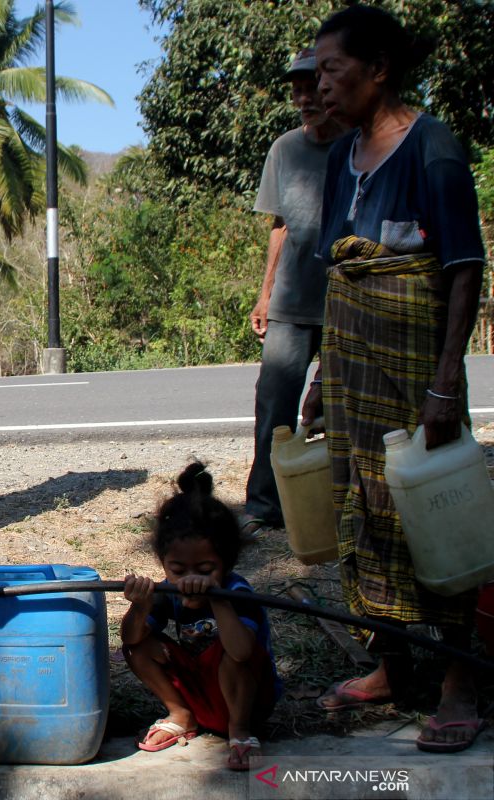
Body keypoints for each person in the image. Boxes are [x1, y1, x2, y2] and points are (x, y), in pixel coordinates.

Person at [300, 5, 487, 753]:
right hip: (350, 369)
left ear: (378, 70)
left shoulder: (431, 148)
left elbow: (463, 269)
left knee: (432, 514)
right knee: (362, 507)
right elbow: (341, 275)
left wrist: (445, 383)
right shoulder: (340, 160)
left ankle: (458, 681)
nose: (319, 86)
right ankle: (391, 663)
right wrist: (319, 373)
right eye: (315, 72)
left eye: (332, 70)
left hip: (416, 375)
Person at [241, 48, 349, 540]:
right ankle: (264, 504)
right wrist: (265, 295)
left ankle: (344, 502)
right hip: (289, 301)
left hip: (347, 300)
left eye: (313, 86)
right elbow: (279, 226)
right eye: (298, 89)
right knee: (274, 401)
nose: (306, 97)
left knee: (342, 403)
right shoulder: (285, 149)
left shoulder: (357, 146)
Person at [121, 463, 280, 772]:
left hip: (245, 698)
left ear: (227, 562)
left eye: (205, 570)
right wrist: (140, 606)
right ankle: (180, 713)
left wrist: (218, 601)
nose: (189, 580)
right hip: (199, 691)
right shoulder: (168, 593)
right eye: (178, 570)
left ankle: (240, 731)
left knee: (232, 654)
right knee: (138, 645)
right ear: (163, 562)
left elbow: (242, 652)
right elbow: (130, 639)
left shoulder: (237, 592)